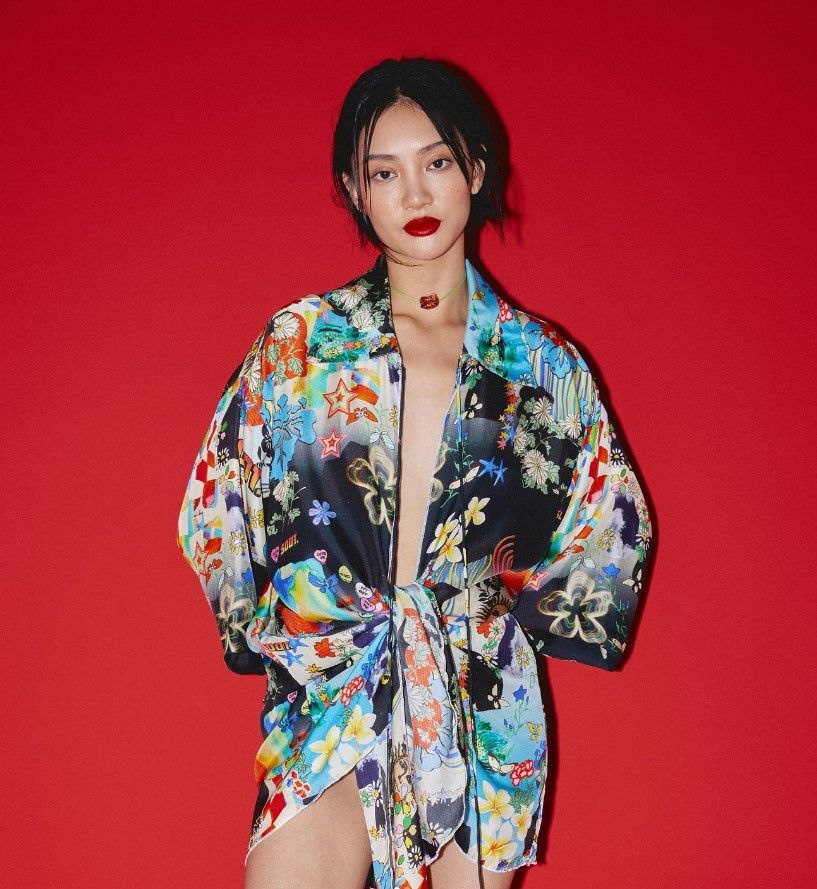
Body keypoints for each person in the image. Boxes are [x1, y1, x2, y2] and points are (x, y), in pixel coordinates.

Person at [177, 57, 653, 889]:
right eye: (383, 173)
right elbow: (216, 500)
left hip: (476, 695)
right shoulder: (299, 343)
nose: (415, 193)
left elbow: (610, 519)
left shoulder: (543, 363)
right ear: (353, 190)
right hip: (333, 686)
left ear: (475, 169)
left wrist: (502, 614)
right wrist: (287, 628)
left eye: (435, 162)